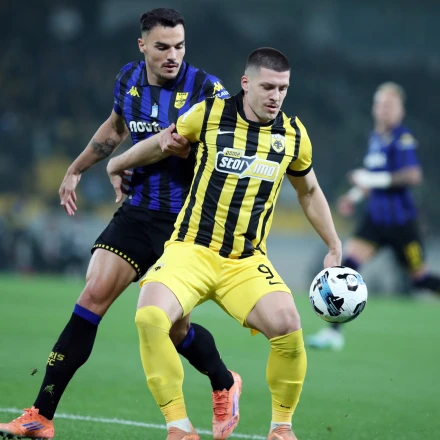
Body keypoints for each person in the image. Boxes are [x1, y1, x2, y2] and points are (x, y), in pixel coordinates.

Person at [0, 9, 241, 440]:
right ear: (143, 46)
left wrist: (157, 156)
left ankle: (224, 382)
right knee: (91, 296)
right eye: (162, 47)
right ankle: (40, 415)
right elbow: (115, 128)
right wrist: (76, 168)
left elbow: (213, 150)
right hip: (138, 211)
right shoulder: (128, 78)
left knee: (176, 329)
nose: (173, 55)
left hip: (184, 225)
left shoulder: (206, 89)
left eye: (179, 46)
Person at [107, 47, 342, 440]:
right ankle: (179, 427)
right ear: (246, 83)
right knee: (150, 316)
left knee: (289, 326)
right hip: (190, 251)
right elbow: (163, 142)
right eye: (268, 87)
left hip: (245, 261)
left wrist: (333, 244)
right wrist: (118, 163)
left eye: (283, 88)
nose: (276, 96)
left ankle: (281, 429)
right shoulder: (209, 114)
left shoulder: (293, 135)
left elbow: (309, 191)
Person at [307, 82, 440, 351]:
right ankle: (333, 333)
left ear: (401, 111)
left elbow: (412, 175)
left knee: (421, 280)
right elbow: (372, 181)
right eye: (381, 103)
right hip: (375, 222)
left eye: (391, 105)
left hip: (402, 224)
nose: (385, 109)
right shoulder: (375, 139)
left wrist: (372, 179)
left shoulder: (402, 138)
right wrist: (353, 197)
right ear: (374, 108)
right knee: (346, 268)